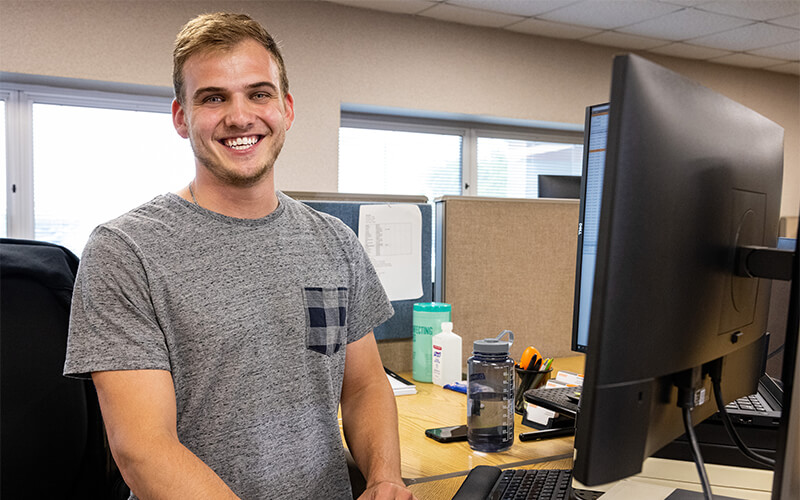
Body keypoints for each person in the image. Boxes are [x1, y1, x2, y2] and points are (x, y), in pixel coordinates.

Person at [64, 12, 416, 500]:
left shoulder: (334, 241)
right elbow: (143, 448)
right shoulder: (125, 251)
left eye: (259, 93)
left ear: (286, 109)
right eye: (213, 98)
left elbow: (363, 389)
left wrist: (384, 477)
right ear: (181, 118)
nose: (240, 116)